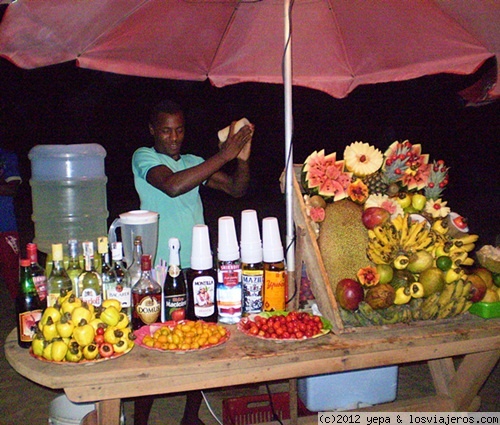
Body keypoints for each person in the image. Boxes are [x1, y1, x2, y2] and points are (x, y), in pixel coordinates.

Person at [132, 99, 253, 425]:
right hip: (157, 272)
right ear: (153, 131)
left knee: (201, 342)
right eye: (166, 130)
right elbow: (172, 186)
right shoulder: (144, 157)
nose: (174, 137)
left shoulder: (194, 161)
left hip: (197, 267)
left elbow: (236, 190)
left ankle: (190, 417)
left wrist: (241, 159)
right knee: (153, 347)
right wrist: (222, 156)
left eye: (180, 130)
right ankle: (139, 421)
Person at [0, 146, 22, 300]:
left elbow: (12, 189)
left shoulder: (6, 157)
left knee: (13, 276)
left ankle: (22, 312)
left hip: (5, 225)